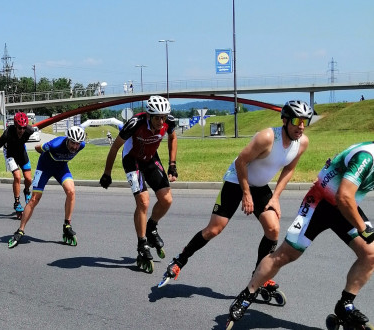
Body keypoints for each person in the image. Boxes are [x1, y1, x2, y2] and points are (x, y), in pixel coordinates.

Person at [159, 100, 313, 288]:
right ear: (285, 120)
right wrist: (246, 193)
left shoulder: (302, 143)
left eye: (306, 121)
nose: (302, 126)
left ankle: (260, 275)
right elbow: (241, 162)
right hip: (236, 180)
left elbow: (289, 169)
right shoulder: (267, 137)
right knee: (214, 229)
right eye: (297, 121)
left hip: (259, 185)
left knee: (273, 229)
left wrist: (275, 197)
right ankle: (180, 260)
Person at [229, 142, 374, 328]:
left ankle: (345, 305)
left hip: (344, 208)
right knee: (285, 255)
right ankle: (247, 295)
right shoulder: (366, 157)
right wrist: (363, 228)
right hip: (320, 205)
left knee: (370, 254)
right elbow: (343, 196)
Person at [99, 95, 178, 274]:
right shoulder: (135, 123)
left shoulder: (169, 121)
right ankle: (142, 242)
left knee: (167, 200)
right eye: (157, 117)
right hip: (132, 159)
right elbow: (115, 147)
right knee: (143, 201)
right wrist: (107, 173)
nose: (160, 121)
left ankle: (151, 226)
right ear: (149, 115)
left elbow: (173, 138)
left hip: (150, 159)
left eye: (163, 117)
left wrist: (172, 164)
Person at [8, 126, 86, 248]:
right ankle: (20, 230)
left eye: (77, 144)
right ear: (67, 139)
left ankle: (67, 225)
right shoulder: (55, 144)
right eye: (73, 143)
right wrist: (43, 148)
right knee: (34, 199)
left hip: (61, 168)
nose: (75, 147)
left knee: (71, 191)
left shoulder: (82, 146)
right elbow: (37, 148)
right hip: (44, 168)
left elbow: (76, 147)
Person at [0, 112, 34, 217]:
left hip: (21, 152)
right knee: (17, 176)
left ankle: (27, 191)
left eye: (24, 128)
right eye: (20, 128)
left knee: (28, 179)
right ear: (15, 126)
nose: (22, 131)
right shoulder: (8, 133)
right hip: (10, 153)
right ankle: (17, 202)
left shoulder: (30, 130)